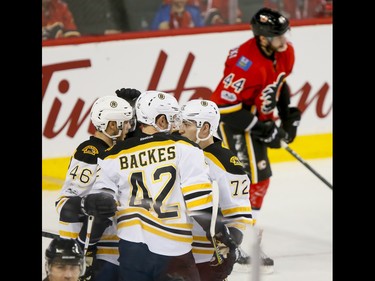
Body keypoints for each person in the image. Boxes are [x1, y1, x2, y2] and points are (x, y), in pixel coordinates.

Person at [82, 90, 239, 281]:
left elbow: (100, 209)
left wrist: (86, 248)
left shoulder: (111, 155)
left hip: (132, 252)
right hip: (174, 252)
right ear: (161, 120)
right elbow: (199, 203)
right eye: (173, 118)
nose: (177, 125)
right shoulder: (185, 148)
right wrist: (222, 238)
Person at [210, 7, 302, 272]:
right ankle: (236, 243)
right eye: (277, 36)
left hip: (257, 122)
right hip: (238, 126)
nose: (284, 40)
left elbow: (280, 84)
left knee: (260, 181)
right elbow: (225, 109)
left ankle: (239, 238)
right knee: (246, 182)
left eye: (284, 33)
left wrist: (286, 117)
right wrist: (262, 128)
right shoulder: (244, 64)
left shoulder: (285, 52)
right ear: (262, 37)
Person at [55, 94, 135, 280]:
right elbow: (66, 200)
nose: (129, 127)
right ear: (112, 125)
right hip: (92, 250)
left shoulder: (111, 152)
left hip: (107, 246)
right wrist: (84, 247)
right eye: (125, 123)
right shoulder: (90, 152)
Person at [179, 99, 253, 280]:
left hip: (205, 257)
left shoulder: (226, 163)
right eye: (180, 122)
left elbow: (238, 215)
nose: (180, 129)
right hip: (175, 251)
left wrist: (228, 247)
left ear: (205, 129)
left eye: (187, 124)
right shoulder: (178, 152)